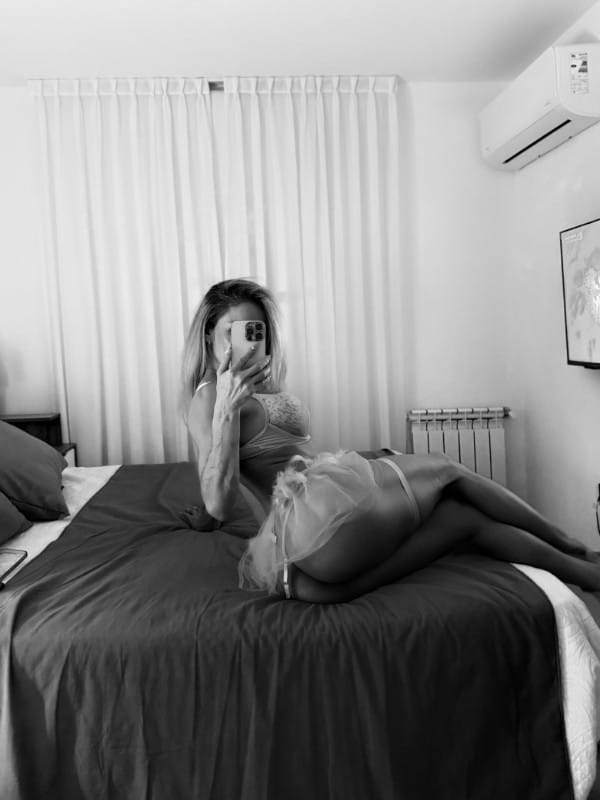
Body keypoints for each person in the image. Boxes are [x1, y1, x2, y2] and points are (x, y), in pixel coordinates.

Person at [238, 449, 600, 603]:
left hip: (296, 568)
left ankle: (584, 571)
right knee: (448, 469)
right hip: (318, 508)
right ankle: (570, 544)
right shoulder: (221, 398)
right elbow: (218, 493)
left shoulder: (247, 386)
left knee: (464, 519)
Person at [180, 278, 313, 528]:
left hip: (320, 496)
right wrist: (227, 406)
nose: (248, 344)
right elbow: (216, 494)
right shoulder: (211, 395)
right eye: (234, 332)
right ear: (208, 333)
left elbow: (217, 460)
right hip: (307, 517)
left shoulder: (249, 385)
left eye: (254, 331)